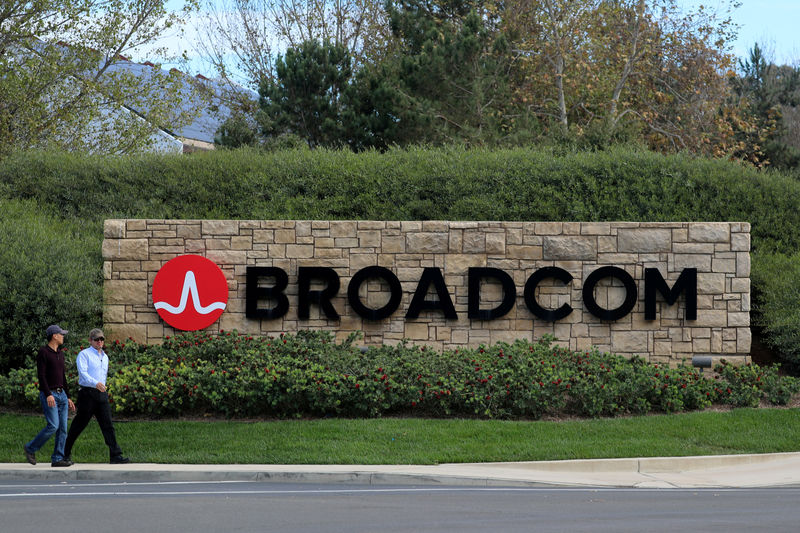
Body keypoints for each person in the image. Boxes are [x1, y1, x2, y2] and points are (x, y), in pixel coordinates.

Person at [63, 328, 130, 464]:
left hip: (101, 394)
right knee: (79, 425)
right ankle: (65, 453)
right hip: (87, 393)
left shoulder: (105, 357)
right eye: (96, 339)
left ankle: (115, 455)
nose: (100, 342)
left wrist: (101, 386)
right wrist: (96, 383)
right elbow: (83, 374)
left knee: (108, 424)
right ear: (90, 340)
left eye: (101, 339)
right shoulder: (84, 354)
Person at [24, 325, 76, 467]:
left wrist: (68, 396)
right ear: (54, 335)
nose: (63, 336)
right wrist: (48, 394)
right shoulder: (43, 352)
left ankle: (57, 458)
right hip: (50, 394)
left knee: (63, 428)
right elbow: (41, 375)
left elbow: (62, 377)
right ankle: (30, 448)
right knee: (53, 425)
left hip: (62, 395)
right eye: (61, 334)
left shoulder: (60, 353)